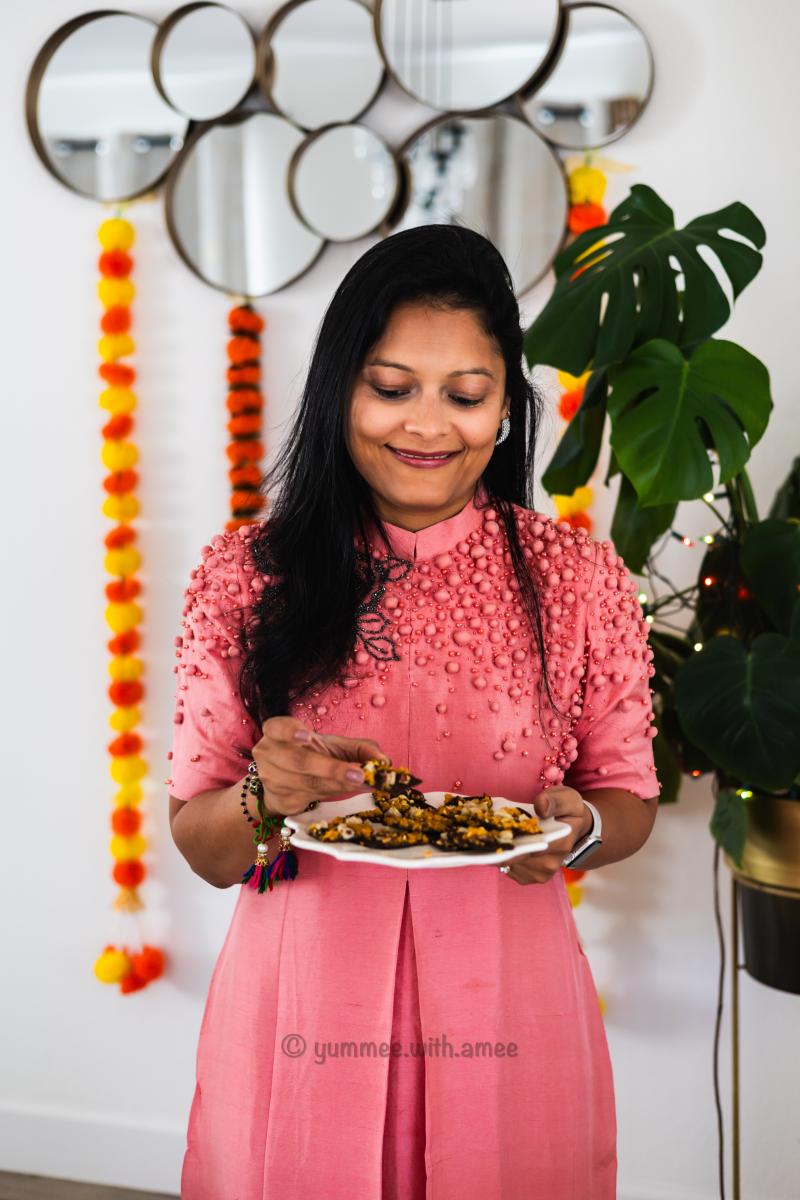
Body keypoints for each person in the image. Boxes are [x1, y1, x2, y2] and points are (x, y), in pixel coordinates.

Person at [167, 223, 661, 1199]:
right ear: (337, 390)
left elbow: (627, 796)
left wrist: (584, 826)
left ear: (507, 411)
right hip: (297, 1015)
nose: (426, 426)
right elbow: (203, 843)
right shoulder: (246, 577)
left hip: (509, 1014)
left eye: (464, 395)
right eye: (390, 388)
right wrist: (264, 792)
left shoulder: (573, 577)